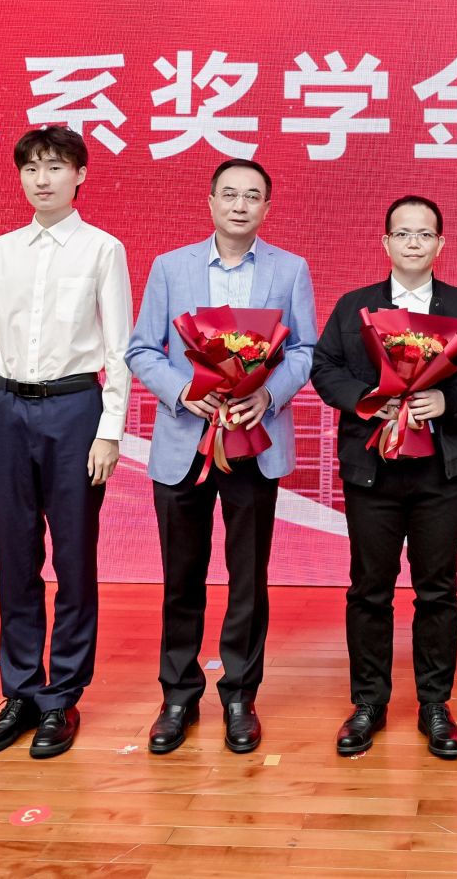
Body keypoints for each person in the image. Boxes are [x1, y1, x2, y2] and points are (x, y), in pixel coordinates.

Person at [125, 158, 316, 755]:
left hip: (253, 441)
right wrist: (183, 391)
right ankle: (177, 696)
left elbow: (305, 350)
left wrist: (268, 394)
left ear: (267, 208)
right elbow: (141, 349)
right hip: (185, 441)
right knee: (181, 577)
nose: (240, 205)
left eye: (252, 196)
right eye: (229, 194)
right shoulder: (170, 267)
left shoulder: (290, 269)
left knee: (247, 578)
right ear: (209, 202)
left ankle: (239, 695)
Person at [309, 195, 457, 760]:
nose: (413, 243)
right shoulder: (355, 307)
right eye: (402, 233)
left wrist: (447, 400)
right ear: (385, 243)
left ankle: (435, 704)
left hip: (441, 470)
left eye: (424, 234)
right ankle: (368, 702)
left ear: (441, 244)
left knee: (437, 588)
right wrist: (369, 400)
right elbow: (324, 369)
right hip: (372, 471)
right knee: (369, 588)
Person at [0, 125, 133, 760]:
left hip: (74, 409)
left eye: (56, 166)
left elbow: (117, 348)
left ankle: (61, 695)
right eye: (31, 167)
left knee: (73, 557)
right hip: (6, 410)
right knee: (14, 557)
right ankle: (20, 692)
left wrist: (109, 430)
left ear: (80, 175)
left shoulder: (102, 249)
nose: (42, 179)